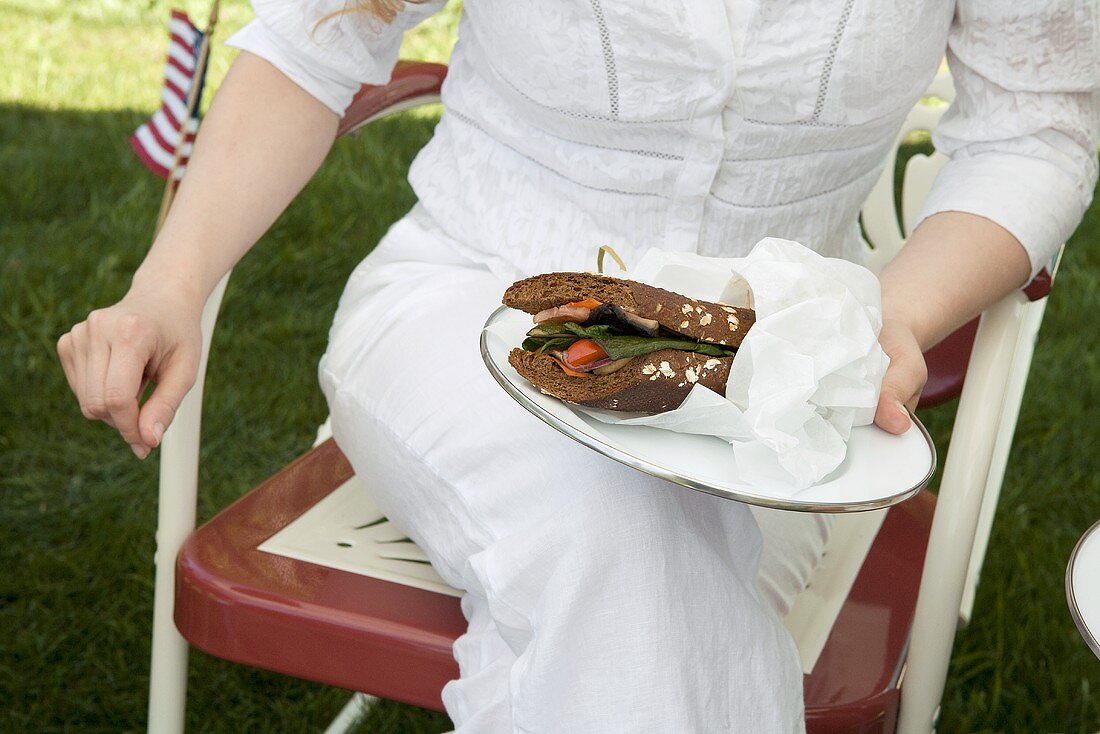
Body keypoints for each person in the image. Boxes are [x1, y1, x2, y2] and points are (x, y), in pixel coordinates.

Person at [57, 1, 1098, 730]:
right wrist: (168, 284)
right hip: (471, 302)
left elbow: (1036, 124)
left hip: (750, 368)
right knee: (625, 543)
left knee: (637, 595)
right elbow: (312, 43)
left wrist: (893, 315)